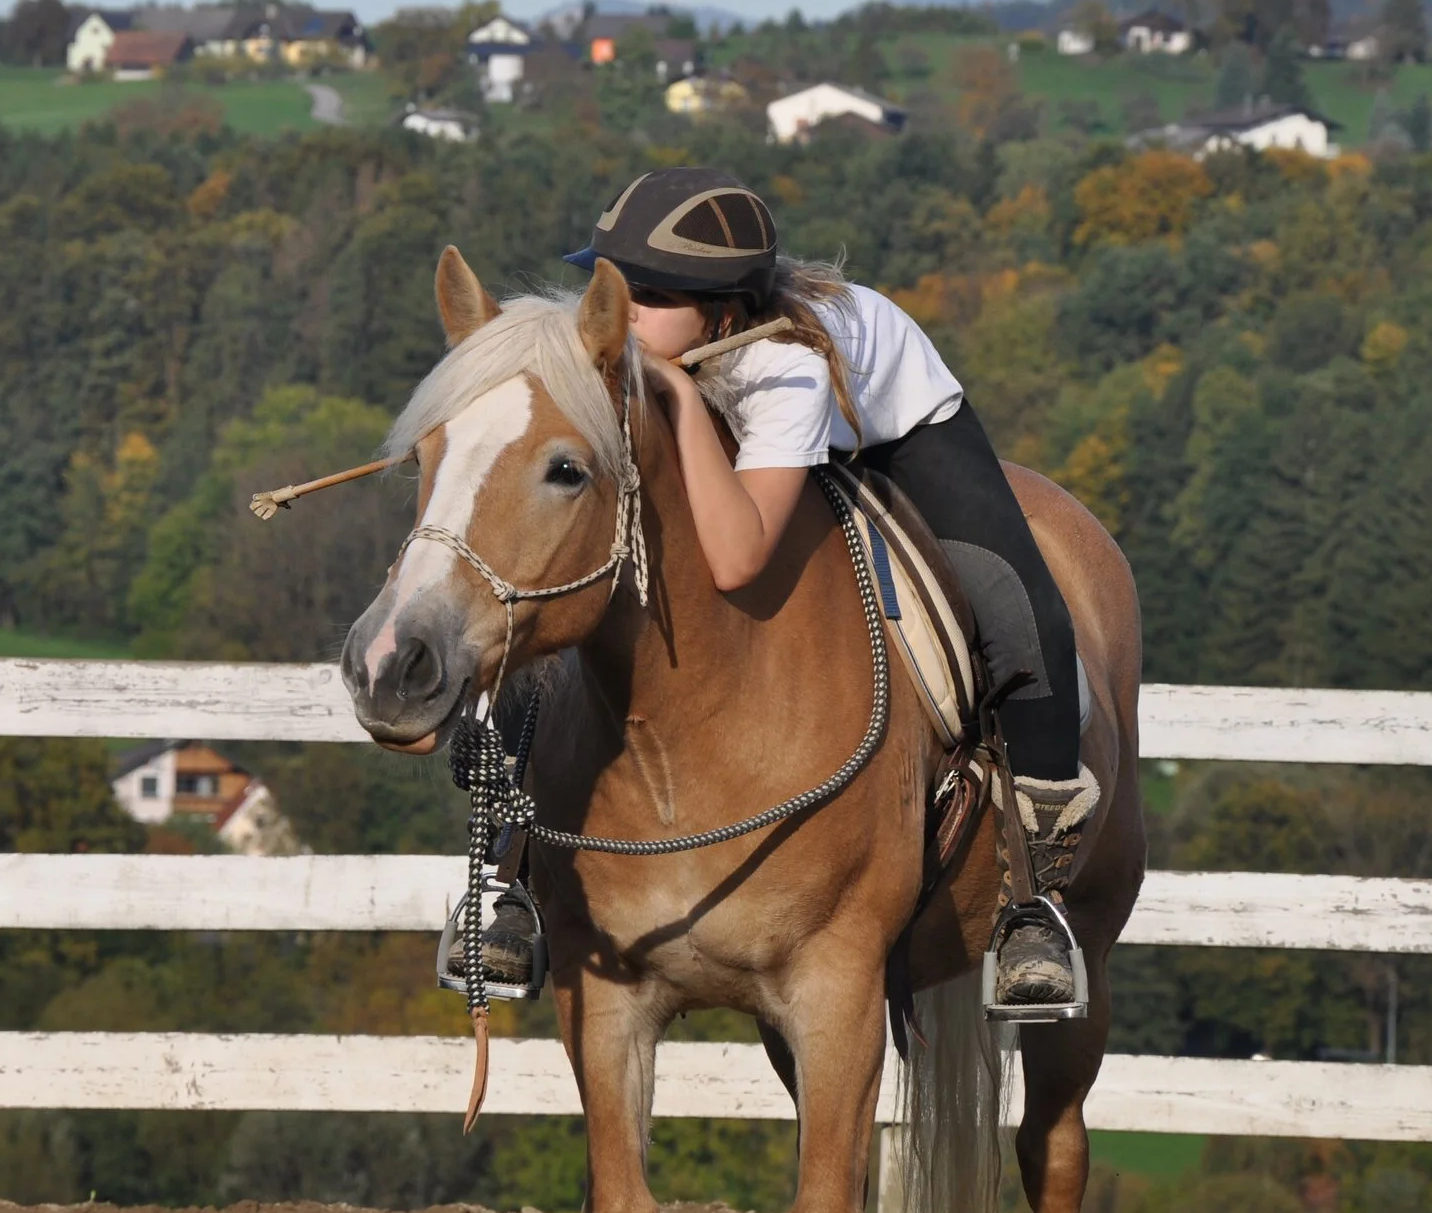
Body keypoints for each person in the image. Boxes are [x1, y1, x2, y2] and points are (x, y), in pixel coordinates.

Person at [464, 166, 1096, 1014]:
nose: (617, 311)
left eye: (647, 295)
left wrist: (685, 405)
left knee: (1019, 610)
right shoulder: (634, 353)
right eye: (607, 284)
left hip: (895, 429)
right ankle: (513, 871)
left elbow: (737, 560)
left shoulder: (783, 367)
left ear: (722, 315)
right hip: (726, 415)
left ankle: (1034, 901)